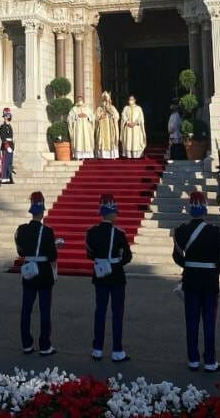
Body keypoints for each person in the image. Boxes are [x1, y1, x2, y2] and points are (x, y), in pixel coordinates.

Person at [172, 191, 220, 372]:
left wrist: (189, 267)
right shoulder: (213, 231)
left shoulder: (181, 230)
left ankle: (193, 359)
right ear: (204, 209)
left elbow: (177, 257)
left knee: (191, 320)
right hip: (210, 281)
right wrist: (213, 273)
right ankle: (210, 361)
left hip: (191, 279)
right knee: (209, 322)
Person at [85, 194, 132, 362]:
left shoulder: (91, 232)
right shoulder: (118, 233)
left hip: (100, 274)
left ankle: (97, 348)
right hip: (116, 275)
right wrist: (117, 260)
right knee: (117, 313)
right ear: (110, 213)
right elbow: (127, 257)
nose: (117, 215)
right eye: (115, 212)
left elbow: (90, 254)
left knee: (100, 311)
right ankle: (117, 350)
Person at [15, 191, 60, 355]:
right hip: (43, 273)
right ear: (42, 211)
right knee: (44, 310)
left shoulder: (21, 230)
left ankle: (26, 343)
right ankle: (45, 345)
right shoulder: (47, 232)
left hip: (29, 271)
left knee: (26, 309)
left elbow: (20, 252)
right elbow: (52, 256)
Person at [94, 92, 120, 158]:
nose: (105, 102)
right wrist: (100, 117)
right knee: (101, 140)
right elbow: (95, 118)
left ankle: (112, 155)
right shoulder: (99, 108)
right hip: (102, 128)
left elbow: (117, 116)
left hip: (110, 127)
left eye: (106, 100)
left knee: (111, 140)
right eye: (104, 100)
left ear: (109, 100)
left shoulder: (112, 108)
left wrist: (110, 112)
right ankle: (102, 155)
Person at [0, 107, 15, 183]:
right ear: (4, 116)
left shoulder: (10, 126)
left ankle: (8, 177)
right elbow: (3, 138)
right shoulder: (2, 127)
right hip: (6, 147)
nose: (8, 117)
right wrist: (7, 146)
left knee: (9, 163)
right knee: (5, 163)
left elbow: (11, 138)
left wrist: (12, 147)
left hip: (10, 147)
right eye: (7, 115)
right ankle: (4, 177)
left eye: (9, 115)